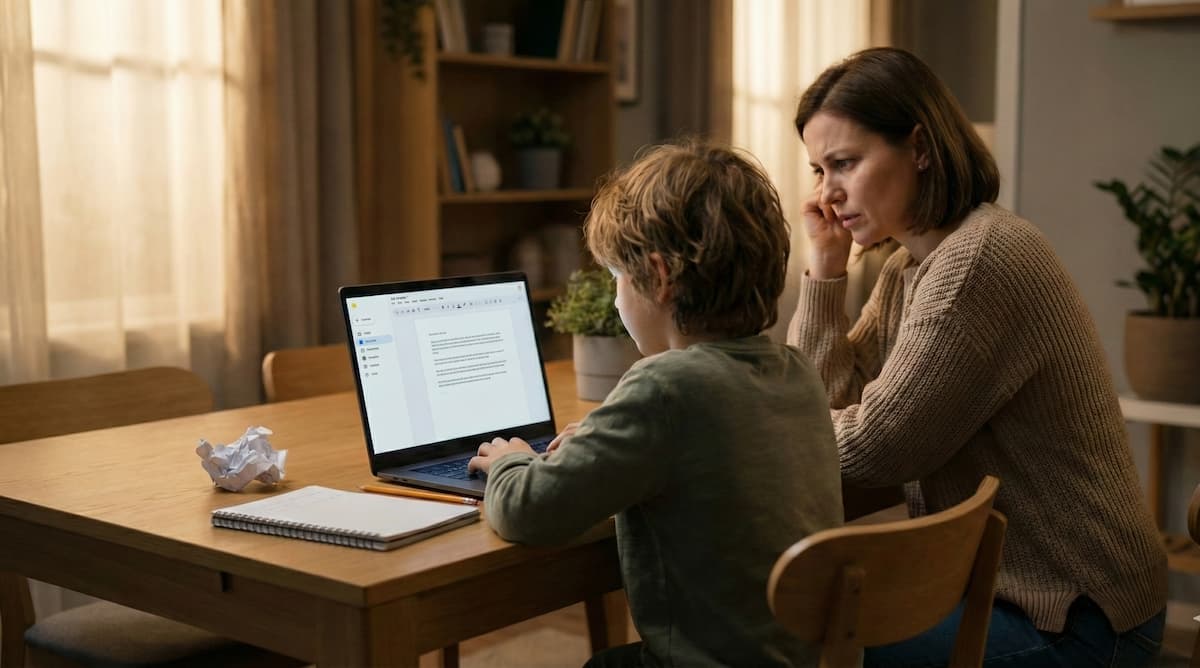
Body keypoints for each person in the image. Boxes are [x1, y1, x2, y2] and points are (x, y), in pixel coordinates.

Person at [788, 46, 1167, 667]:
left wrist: (768, 430)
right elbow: (823, 399)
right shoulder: (910, 268)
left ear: (920, 147)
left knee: (799, 643)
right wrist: (826, 271)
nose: (828, 194)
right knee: (806, 626)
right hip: (1010, 596)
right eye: (817, 171)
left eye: (845, 163)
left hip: (1079, 616)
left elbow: (875, 448)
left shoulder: (979, 261)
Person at [468, 140, 842, 668]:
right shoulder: (796, 370)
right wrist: (597, 445)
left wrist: (508, 461)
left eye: (617, 277)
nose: (617, 296)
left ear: (659, 278)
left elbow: (531, 510)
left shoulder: (666, 386)